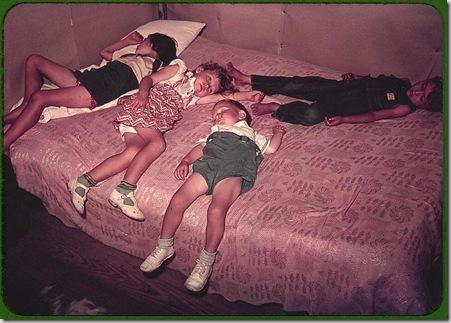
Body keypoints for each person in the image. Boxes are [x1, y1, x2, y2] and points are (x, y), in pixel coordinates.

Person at [68, 61, 265, 221]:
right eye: (209, 79)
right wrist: (143, 94)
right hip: (142, 108)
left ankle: (82, 181)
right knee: (158, 144)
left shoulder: (191, 99)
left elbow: (223, 97)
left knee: (131, 153)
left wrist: (248, 95)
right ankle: (124, 190)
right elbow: (148, 79)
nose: (207, 87)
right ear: (200, 70)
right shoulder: (178, 71)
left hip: (146, 122)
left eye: (210, 88)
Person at [139, 99, 286, 292]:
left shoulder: (252, 134)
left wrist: (278, 133)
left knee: (216, 210)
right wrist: (185, 161)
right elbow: (200, 149)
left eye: (222, 111)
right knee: (177, 200)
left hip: (234, 171)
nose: (217, 116)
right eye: (214, 115)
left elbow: (272, 148)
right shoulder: (214, 133)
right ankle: (164, 246)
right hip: (208, 166)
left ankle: (205, 262)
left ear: (241, 115)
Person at [4, 31, 177, 153]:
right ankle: (27, 106)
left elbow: (159, 79)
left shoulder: (154, 66)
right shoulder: (129, 57)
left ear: (155, 47)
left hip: (100, 88)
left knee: (40, 97)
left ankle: (5, 141)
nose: (141, 43)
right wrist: (126, 42)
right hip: (88, 78)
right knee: (34, 60)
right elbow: (105, 53)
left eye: (145, 41)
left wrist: (143, 93)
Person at [226, 63, 442, 126]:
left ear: (423, 107)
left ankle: (277, 109)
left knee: (311, 115)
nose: (417, 91)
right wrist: (355, 77)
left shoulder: (404, 107)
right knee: (297, 85)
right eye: (423, 85)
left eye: (422, 97)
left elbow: (374, 116)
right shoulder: (402, 81)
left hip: (345, 106)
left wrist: (345, 119)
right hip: (339, 89)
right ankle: (248, 79)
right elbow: (373, 81)